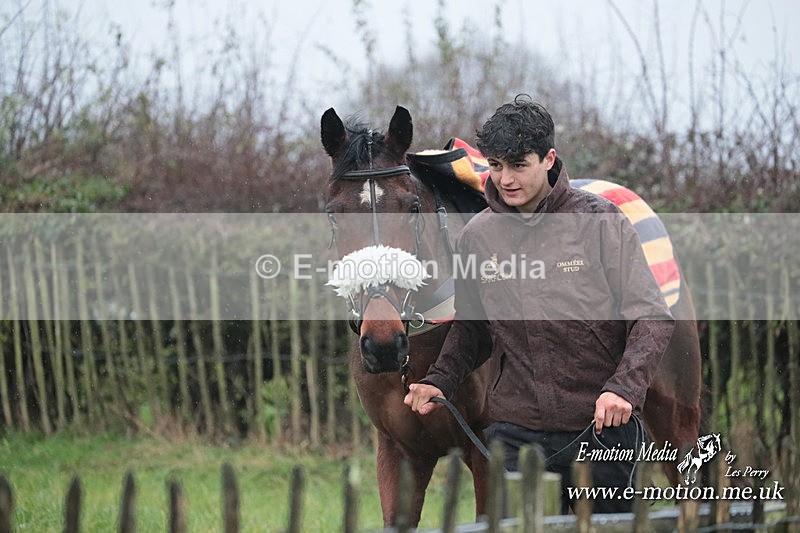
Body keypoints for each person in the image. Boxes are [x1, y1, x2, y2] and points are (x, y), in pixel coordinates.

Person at [403, 95, 675, 514]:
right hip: (516, 434)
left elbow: (652, 316)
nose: (505, 179)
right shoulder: (478, 236)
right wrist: (441, 379)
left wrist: (623, 389)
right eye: (495, 166)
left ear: (548, 159)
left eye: (518, 165)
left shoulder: (601, 222)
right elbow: (474, 328)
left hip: (604, 429)